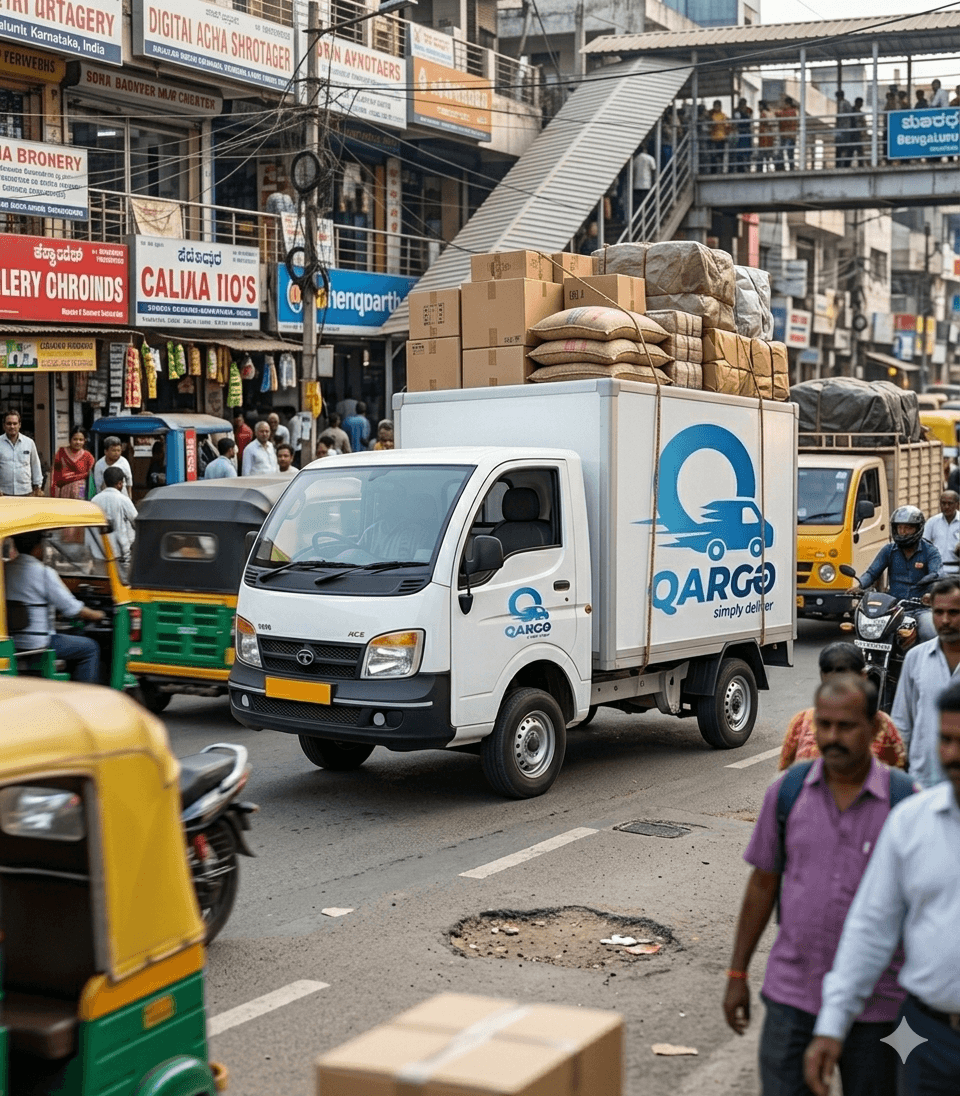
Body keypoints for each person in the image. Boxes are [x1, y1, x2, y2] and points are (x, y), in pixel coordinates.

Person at [724, 675, 914, 1096]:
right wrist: (737, 972)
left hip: (881, 1007)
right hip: (794, 997)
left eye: (845, 726)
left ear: (874, 729)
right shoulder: (788, 793)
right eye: (824, 725)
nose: (832, 737)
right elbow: (762, 885)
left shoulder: (905, 804)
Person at [805, 677, 960, 1096]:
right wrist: (832, 1026)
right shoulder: (912, 822)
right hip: (929, 1038)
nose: (952, 755)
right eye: (946, 739)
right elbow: (871, 927)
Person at [780, 642, 906, 770]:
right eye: (825, 724)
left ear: (863, 677)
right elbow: (784, 774)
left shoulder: (881, 724)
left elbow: (898, 770)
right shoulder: (801, 722)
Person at [4, 529, 105, 683]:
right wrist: (98, 615)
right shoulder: (43, 573)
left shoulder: (5, 569)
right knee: (90, 647)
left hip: (10, 642)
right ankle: (86, 698)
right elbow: (74, 609)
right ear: (39, 547)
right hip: (37, 643)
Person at [891, 577, 960, 788]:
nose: (945, 620)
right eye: (938, 613)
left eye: (954, 613)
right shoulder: (916, 658)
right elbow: (902, 722)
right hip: (923, 781)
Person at [854, 505, 941, 601]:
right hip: (894, 606)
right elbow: (871, 573)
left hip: (920, 607)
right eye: (900, 528)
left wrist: (926, 584)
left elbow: (935, 574)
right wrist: (859, 585)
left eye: (907, 528)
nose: (903, 532)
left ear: (918, 528)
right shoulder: (888, 550)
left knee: (927, 617)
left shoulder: (931, 551)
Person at [90, 466, 137, 582]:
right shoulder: (123, 500)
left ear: (105, 482)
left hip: (98, 554)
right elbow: (136, 521)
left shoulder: (94, 500)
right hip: (120, 554)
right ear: (120, 484)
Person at [0, 410, 43, 497]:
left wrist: (38, 486)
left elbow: (35, 465)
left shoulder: (29, 443)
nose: (12, 426)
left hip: (26, 492)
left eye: (15, 423)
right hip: (3, 493)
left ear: (19, 425)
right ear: (4, 425)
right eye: (9, 423)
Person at [51, 426, 94, 500]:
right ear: (70, 439)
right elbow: (55, 474)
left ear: (85, 441)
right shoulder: (61, 453)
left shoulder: (88, 456)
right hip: (63, 490)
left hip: (81, 490)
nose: (78, 442)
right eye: (75, 439)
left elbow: (91, 477)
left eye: (81, 440)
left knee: (80, 509)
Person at [924, 491, 960, 576]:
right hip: (936, 571)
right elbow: (923, 545)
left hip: (957, 571)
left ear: (957, 505)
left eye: (950, 504)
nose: (946, 507)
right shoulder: (932, 522)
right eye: (943, 503)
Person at [707, 100, 731, 173]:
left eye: (718, 106)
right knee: (713, 156)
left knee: (720, 156)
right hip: (713, 138)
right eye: (715, 106)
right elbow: (710, 125)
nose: (716, 108)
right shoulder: (711, 115)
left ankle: (720, 170)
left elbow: (727, 126)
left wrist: (726, 135)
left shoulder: (723, 115)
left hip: (721, 138)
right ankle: (713, 171)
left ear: (720, 107)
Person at [631, 145, 657, 211]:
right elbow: (654, 169)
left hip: (636, 185)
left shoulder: (635, 159)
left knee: (638, 204)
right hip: (646, 184)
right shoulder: (650, 158)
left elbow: (633, 171)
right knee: (646, 203)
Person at [776, 97, 799, 170]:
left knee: (784, 152)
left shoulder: (788, 112)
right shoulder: (793, 111)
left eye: (784, 103)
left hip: (787, 135)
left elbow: (782, 118)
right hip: (789, 135)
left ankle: (783, 167)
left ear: (787, 104)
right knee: (789, 153)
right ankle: (790, 167)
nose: (782, 105)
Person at [732, 98, 753, 172]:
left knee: (747, 152)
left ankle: (747, 167)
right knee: (740, 152)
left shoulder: (747, 112)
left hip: (747, 134)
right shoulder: (737, 113)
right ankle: (741, 168)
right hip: (741, 134)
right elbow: (736, 124)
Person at [757, 100, 777, 172]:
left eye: (759, 106)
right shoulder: (770, 113)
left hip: (764, 136)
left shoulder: (763, 114)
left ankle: (760, 169)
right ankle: (770, 168)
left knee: (762, 154)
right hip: (770, 136)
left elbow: (765, 122)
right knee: (769, 154)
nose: (758, 108)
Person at [835, 89, 853, 168]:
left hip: (843, 128)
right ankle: (844, 163)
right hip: (846, 128)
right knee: (845, 147)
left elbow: (840, 116)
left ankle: (841, 164)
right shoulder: (848, 103)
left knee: (841, 147)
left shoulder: (842, 103)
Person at [849, 97, 867, 167]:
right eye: (860, 102)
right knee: (852, 150)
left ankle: (861, 164)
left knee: (859, 150)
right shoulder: (852, 111)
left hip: (858, 133)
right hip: (853, 133)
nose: (861, 104)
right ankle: (848, 164)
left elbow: (863, 123)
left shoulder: (860, 112)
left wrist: (863, 131)